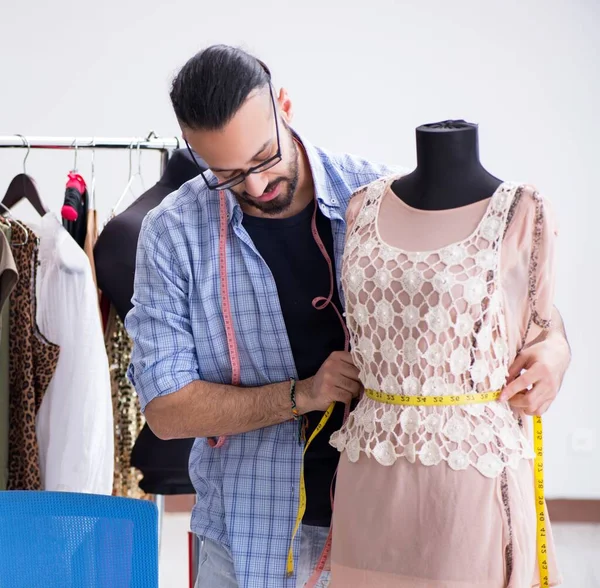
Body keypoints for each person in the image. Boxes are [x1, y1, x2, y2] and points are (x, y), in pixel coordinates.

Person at [124, 45, 571, 588]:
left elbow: (511, 309)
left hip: (384, 529)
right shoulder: (172, 235)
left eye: (265, 159)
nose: (256, 188)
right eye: (228, 175)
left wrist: (554, 352)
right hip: (243, 539)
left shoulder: (378, 202)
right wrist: (303, 394)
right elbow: (168, 411)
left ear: (283, 104)